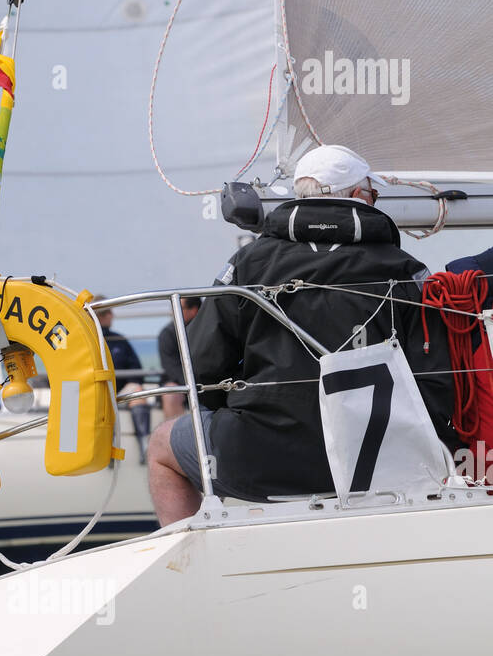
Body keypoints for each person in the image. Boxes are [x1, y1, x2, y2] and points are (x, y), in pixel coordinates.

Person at [148, 145, 457, 524]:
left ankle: (194, 573)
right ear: (361, 197)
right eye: (374, 195)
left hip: (260, 457)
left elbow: (199, 368)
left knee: (163, 445)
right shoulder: (406, 270)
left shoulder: (249, 263)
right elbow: (440, 385)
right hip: (376, 464)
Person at [94, 298, 152, 462]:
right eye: (109, 313)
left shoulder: (119, 340)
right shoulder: (87, 340)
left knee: (138, 390)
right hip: (97, 393)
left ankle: (144, 446)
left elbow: (137, 370)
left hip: (119, 392)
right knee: (104, 398)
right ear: (101, 316)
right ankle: (106, 450)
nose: (112, 316)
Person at [157, 296, 202, 420]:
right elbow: (171, 368)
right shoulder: (168, 334)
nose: (173, 311)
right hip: (180, 382)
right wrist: (194, 386)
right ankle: (175, 437)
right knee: (171, 393)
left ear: (194, 310)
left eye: (178, 308)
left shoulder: (209, 330)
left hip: (204, 382)